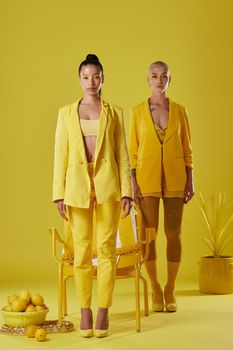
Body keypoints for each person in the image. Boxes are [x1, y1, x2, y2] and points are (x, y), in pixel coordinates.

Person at [53, 54, 132, 337]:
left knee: (107, 250)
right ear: (79, 79)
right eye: (86, 77)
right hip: (77, 188)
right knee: (82, 251)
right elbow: (59, 156)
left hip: (109, 186)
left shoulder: (115, 112)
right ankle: (85, 309)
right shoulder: (65, 113)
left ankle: (104, 310)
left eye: (96, 76)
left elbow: (122, 154)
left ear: (103, 78)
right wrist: (58, 194)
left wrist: (128, 193)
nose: (91, 82)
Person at [129, 61, 194, 313]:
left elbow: (188, 148)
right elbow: (132, 152)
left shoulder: (180, 111)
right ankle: (156, 286)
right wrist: (133, 181)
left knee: (173, 233)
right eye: (154, 76)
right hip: (146, 179)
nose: (159, 80)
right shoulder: (137, 112)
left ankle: (171, 288)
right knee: (149, 235)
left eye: (163, 76)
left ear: (170, 80)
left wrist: (191, 178)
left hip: (176, 178)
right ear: (148, 80)